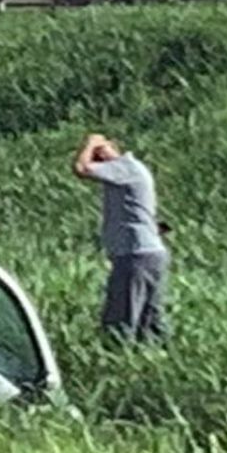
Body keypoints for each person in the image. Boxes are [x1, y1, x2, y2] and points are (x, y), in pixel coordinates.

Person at [74, 134, 170, 341]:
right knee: (149, 319)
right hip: (148, 252)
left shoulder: (124, 167)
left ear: (113, 146)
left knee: (120, 319)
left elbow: (81, 169)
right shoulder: (128, 172)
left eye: (101, 150)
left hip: (135, 254)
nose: (97, 156)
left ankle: (117, 357)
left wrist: (91, 142)